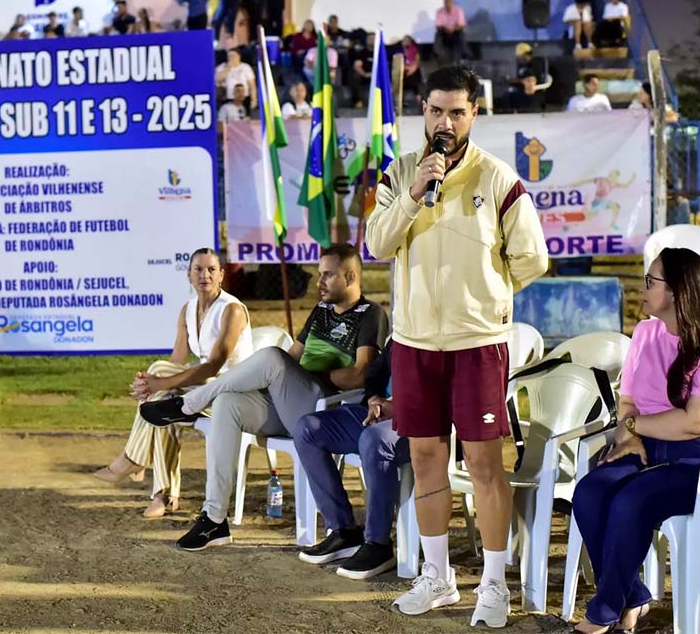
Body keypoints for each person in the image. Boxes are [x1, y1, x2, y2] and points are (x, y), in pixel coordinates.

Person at [366, 65, 548, 628]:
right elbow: (376, 243)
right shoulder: (399, 174)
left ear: (474, 115)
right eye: (437, 110)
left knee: (484, 464)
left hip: (477, 344)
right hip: (414, 342)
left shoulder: (498, 180)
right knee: (425, 461)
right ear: (424, 110)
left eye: (457, 112)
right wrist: (415, 193)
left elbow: (532, 259)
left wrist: (488, 296)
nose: (445, 123)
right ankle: (438, 577)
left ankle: (494, 586)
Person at [139, 245, 387, 552]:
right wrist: (287, 375)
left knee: (271, 357)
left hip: (326, 410)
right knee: (228, 403)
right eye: (319, 274)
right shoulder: (321, 312)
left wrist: (304, 376)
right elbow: (292, 358)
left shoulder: (371, 314)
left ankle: (189, 403)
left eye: (328, 275)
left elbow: (360, 375)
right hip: (290, 405)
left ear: (350, 276)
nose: (318, 282)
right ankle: (214, 519)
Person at [570, 247, 700, 633]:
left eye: (650, 281)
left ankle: (603, 611)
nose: (642, 288)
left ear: (676, 291)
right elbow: (628, 402)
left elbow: (697, 422)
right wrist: (629, 431)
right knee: (588, 491)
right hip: (645, 444)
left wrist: (637, 427)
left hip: (698, 460)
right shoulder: (645, 332)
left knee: (629, 501)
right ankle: (633, 596)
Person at [94, 249, 253, 518]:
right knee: (160, 399)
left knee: (161, 385)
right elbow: (178, 361)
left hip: (233, 393)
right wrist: (152, 384)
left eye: (212, 269)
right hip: (205, 388)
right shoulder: (187, 310)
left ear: (222, 275)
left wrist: (159, 381)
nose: (205, 275)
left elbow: (213, 366)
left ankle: (136, 463)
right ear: (188, 275)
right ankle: (162, 495)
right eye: (199, 269)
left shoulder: (232, 310)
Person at [294, 337, 410, 579]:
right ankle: (343, 530)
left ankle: (378, 544)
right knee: (308, 429)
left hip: (416, 421)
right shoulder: (403, 331)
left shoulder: (443, 334)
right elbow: (377, 372)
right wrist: (374, 400)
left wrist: (398, 407)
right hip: (377, 414)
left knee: (373, 439)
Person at [434, 0, 466, 65]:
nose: (448, 3)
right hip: (444, 32)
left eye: (450, 1)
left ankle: (463, 55)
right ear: (444, 2)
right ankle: (437, 53)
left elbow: (461, 24)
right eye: (446, 1)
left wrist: (453, 29)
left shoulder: (458, 10)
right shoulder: (439, 11)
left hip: (456, 31)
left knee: (460, 35)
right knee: (438, 34)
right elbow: (438, 25)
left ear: (453, 2)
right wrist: (446, 29)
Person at [350, 32, 375, 109]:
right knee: (354, 76)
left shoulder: (381, 53)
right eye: (369, 39)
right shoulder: (361, 52)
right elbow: (357, 65)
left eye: (373, 39)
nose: (371, 40)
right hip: (365, 75)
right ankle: (357, 101)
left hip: (378, 76)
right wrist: (365, 74)